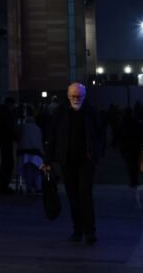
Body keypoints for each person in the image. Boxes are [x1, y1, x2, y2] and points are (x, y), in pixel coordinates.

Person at [42, 82, 102, 245]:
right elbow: (52, 136)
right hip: (67, 161)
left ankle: (88, 231)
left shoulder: (89, 112)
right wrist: (48, 160)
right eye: (73, 96)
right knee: (74, 195)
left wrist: (96, 155)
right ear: (68, 96)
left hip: (85, 161)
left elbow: (98, 135)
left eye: (79, 96)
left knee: (84, 195)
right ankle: (79, 229)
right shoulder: (61, 112)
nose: (76, 99)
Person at [114, 107, 143, 187]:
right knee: (134, 163)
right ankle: (134, 180)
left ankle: (132, 180)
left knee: (129, 163)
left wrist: (115, 142)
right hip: (134, 146)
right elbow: (141, 134)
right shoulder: (135, 122)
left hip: (125, 147)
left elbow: (117, 134)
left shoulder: (122, 123)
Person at [16, 104, 44, 193]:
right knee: (37, 170)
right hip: (36, 152)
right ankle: (38, 187)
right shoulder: (37, 128)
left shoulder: (23, 127)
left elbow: (19, 137)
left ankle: (29, 187)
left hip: (24, 151)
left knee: (27, 170)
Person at [0, 96, 17, 194]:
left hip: (3, 140)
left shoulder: (1, 113)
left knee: (6, 163)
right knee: (7, 163)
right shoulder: (6, 114)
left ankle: (3, 186)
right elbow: (9, 128)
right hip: (5, 140)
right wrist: (16, 137)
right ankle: (4, 186)